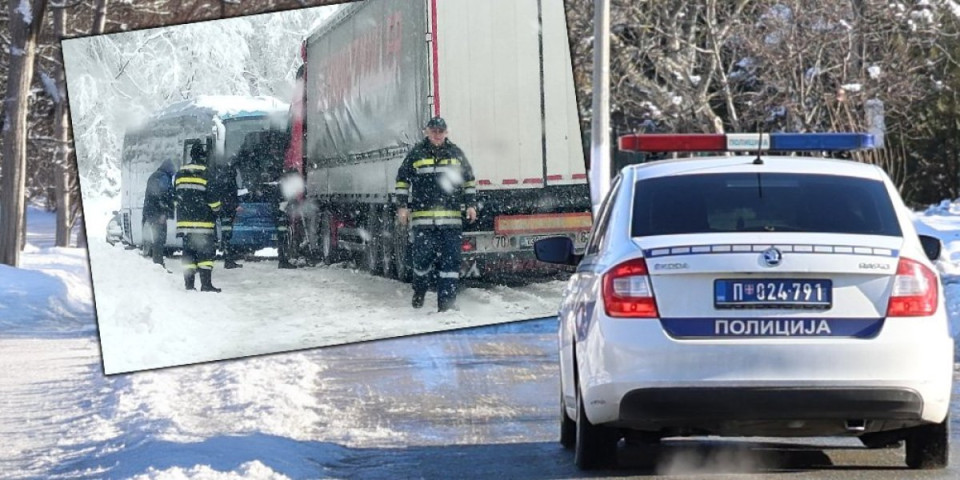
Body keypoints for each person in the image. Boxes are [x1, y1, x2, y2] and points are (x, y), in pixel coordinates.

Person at [395, 116, 477, 312]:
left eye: (441, 132)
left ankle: (446, 304)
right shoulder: (416, 154)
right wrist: (402, 206)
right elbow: (402, 180)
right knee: (422, 260)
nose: (437, 135)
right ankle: (420, 289)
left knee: (451, 261)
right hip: (424, 222)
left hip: (451, 221)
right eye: (434, 131)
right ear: (427, 132)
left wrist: (471, 205)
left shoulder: (456, 154)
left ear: (446, 132)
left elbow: (468, 180)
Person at [175, 142, 223, 292]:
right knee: (205, 255)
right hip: (203, 224)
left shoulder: (180, 173)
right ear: (202, 157)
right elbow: (213, 200)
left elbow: (175, 197)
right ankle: (206, 284)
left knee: (188, 254)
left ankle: (189, 285)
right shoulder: (206, 174)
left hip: (184, 224)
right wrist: (217, 210)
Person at [142, 159, 176, 268]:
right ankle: (158, 265)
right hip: (157, 214)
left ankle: (158, 263)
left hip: (150, 212)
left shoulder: (154, 176)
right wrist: (163, 213)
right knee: (159, 240)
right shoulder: (163, 178)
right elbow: (165, 196)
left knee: (157, 239)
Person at [214, 158, 243, 269]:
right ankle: (228, 260)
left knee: (226, 234)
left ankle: (228, 258)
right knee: (227, 235)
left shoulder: (223, 178)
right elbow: (231, 195)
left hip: (224, 209)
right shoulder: (230, 180)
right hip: (227, 210)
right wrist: (235, 206)